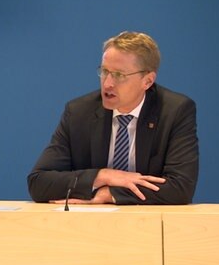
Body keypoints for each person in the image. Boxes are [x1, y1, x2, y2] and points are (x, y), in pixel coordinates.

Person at [27, 31, 198, 205]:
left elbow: (180, 188)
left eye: (119, 75)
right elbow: (39, 183)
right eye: (104, 71)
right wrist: (103, 176)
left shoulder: (175, 111)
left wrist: (110, 193)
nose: (108, 83)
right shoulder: (79, 112)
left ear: (147, 81)